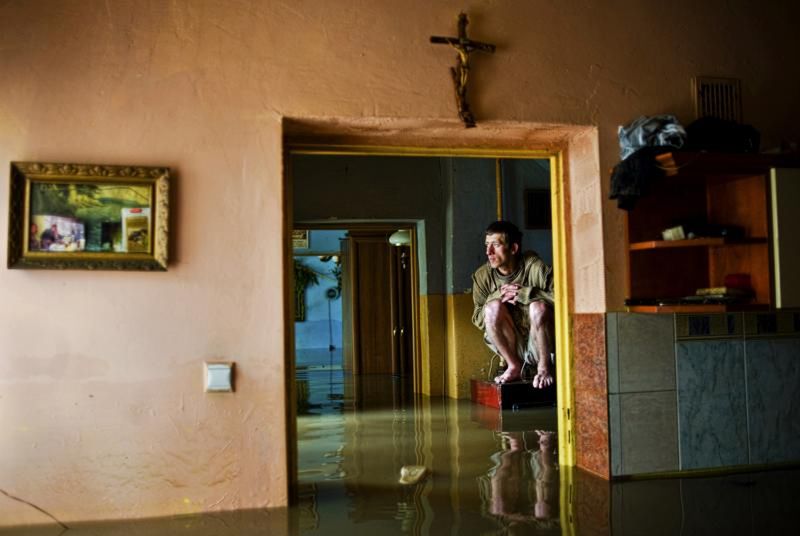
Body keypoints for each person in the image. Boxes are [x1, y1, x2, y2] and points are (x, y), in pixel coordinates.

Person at [471, 221, 555, 388]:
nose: (488, 252)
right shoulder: (482, 276)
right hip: (510, 345)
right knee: (492, 308)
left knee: (537, 307)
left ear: (513, 248)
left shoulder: (534, 266)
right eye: (487, 245)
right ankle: (513, 365)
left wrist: (528, 294)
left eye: (495, 245)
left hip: (540, 342)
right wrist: (496, 296)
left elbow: (563, 300)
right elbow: (477, 319)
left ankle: (544, 368)